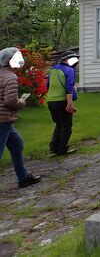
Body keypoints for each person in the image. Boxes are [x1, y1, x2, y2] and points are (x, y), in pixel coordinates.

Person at [0, 47, 41, 188]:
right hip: (2, 120)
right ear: (10, 61)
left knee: (17, 145)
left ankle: (23, 178)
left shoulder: (2, 74)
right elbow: (10, 101)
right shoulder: (11, 77)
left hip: (6, 120)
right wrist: (22, 103)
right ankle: (23, 177)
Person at [46, 50, 79, 156]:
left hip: (51, 101)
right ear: (67, 59)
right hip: (62, 101)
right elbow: (69, 88)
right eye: (74, 59)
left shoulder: (53, 70)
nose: (76, 61)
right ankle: (62, 149)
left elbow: (48, 85)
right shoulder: (69, 70)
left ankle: (53, 147)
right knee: (67, 125)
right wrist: (70, 104)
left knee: (59, 124)